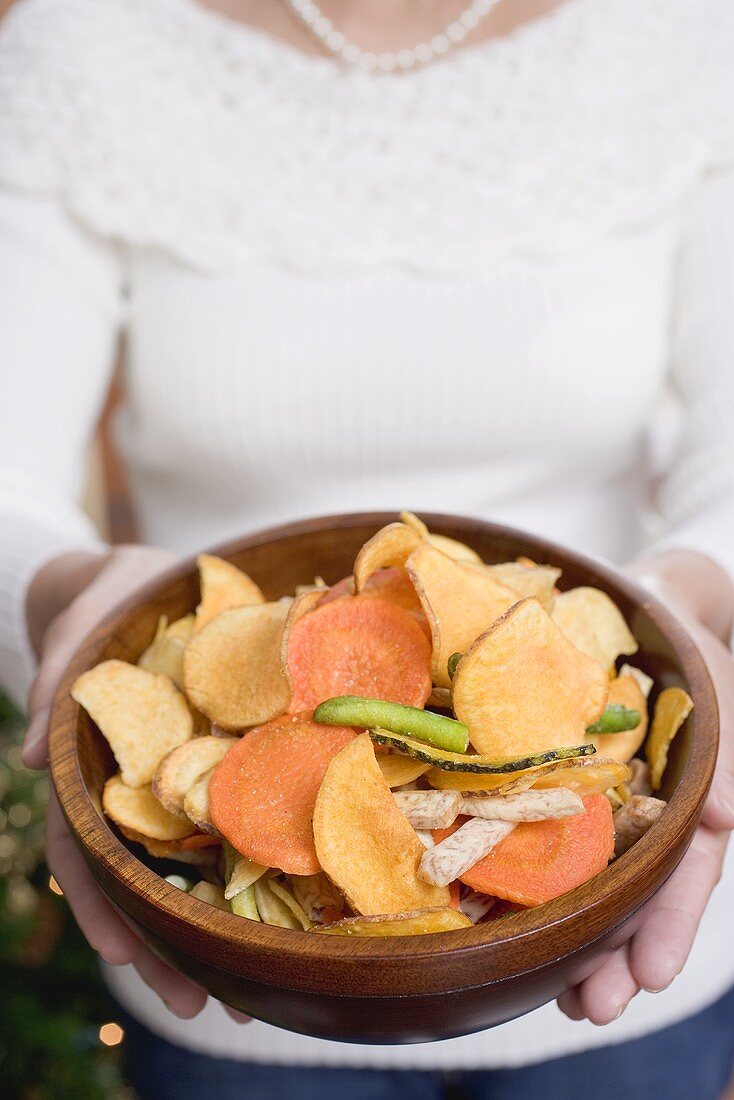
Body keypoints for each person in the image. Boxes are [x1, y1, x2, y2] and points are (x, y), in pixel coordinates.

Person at [1, 0, 734, 1096]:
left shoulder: (684, 33)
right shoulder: (84, 39)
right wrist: (65, 591)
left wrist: (690, 591)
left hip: (616, 920)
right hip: (239, 982)